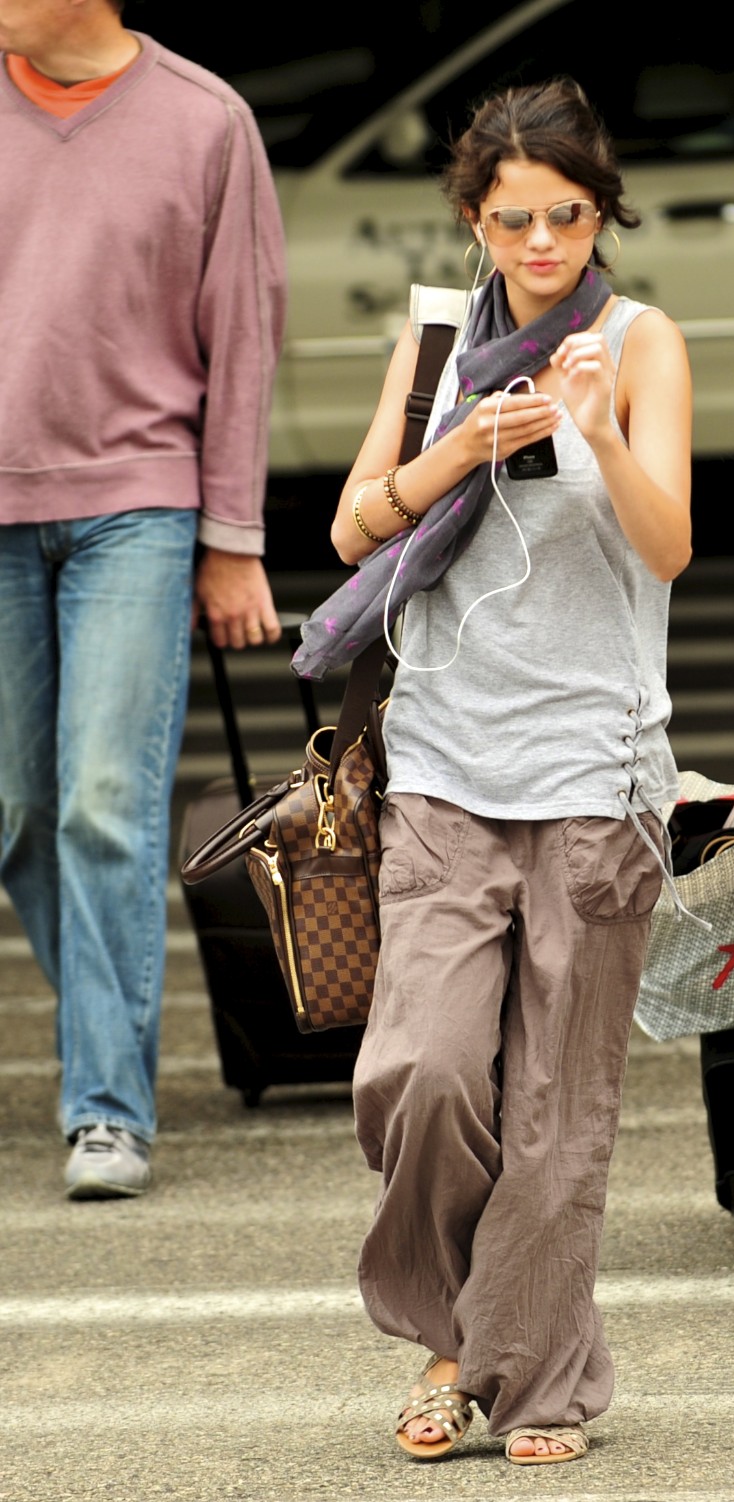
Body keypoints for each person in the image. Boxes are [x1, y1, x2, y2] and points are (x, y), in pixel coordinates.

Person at [325, 78, 691, 1465]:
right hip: (442, 761)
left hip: (597, 770)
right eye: (516, 218)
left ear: (602, 215)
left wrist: (599, 431)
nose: (544, 243)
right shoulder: (436, 343)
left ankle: (524, 1380)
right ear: (475, 218)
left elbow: (670, 547)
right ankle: (457, 1329)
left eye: (570, 216)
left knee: (554, 1112)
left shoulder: (641, 341)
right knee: (421, 1068)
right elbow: (357, 529)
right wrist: (460, 449)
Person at [0, 0, 286, 1198]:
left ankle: (106, 1105)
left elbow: (245, 336)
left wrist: (232, 538)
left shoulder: (205, 120)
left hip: (140, 506)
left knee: (105, 802)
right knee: (20, 811)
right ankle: (103, 1027)